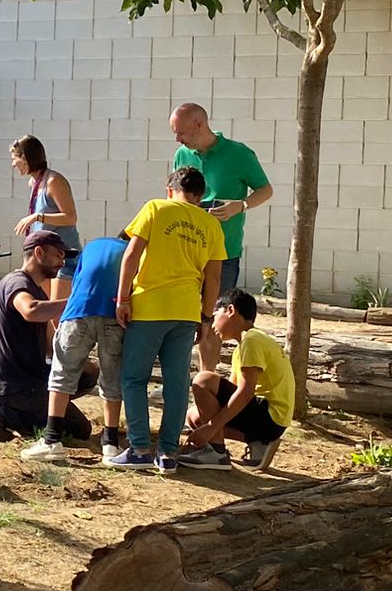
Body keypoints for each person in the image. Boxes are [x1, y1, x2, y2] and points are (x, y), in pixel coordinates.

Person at [115, 167, 224, 471]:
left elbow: (131, 255)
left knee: (135, 378)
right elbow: (213, 278)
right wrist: (205, 317)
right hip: (187, 311)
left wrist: (122, 298)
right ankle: (168, 452)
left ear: (170, 189)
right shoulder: (212, 225)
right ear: (201, 196)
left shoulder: (155, 208)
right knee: (177, 384)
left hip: (150, 306)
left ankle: (138, 448)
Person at [170, 103, 272, 368]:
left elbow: (265, 189)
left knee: (213, 318)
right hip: (186, 251)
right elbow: (171, 194)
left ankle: (207, 381)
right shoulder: (182, 155)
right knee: (181, 317)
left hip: (224, 251)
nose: (177, 139)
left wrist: (242, 205)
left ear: (199, 125)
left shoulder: (239, 154)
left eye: (180, 132)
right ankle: (179, 377)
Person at [21, 232, 128, 464]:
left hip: (78, 312)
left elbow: (78, 283)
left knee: (62, 375)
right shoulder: (133, 252)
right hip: (113, 316)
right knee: (111, 378)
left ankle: (51, 440)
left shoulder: (92, 247)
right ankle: (110, 443)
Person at [0, 230, 82, 441]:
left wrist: (73, 360)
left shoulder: (36, 290)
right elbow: (31, 310)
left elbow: (49, 343)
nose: (62, 262)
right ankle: (2, 414)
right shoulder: (16, 283)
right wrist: (76, 303)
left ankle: (28, 410)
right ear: (39, 252)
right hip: (14, 383)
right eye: (58, 255)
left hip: (30, 377)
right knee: (79, 429)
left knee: (87, 374)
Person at [182, 289, 295, 469]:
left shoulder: (252, 340)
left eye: (215, 315)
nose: (213, 325)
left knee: (203, 380)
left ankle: (216, 452)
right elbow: (233, 395)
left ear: (231, 310)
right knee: (194, 415)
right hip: (269, 421)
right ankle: (259, 443)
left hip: (270, 415)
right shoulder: (243, 346)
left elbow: (245, 392)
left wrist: (211, 426)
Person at [10, 135, 80, 303]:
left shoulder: (54, 181)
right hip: (42, 257)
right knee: (44, 309)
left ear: (26, 158)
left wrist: (37, 217)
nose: (13, 164)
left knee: (56, 312)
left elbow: (71, 217)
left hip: (63, 257)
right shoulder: (33, 183)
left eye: (15, 159)